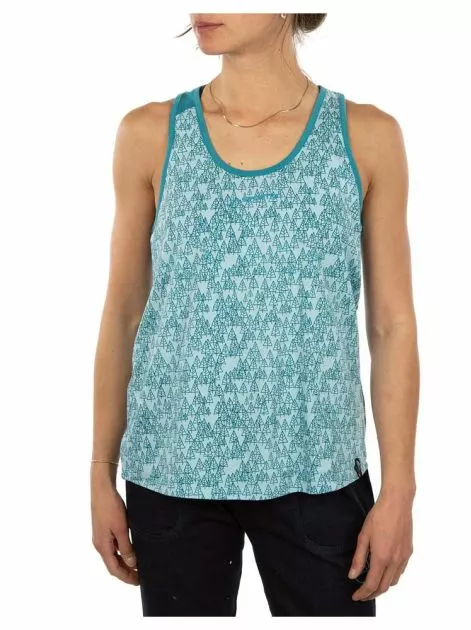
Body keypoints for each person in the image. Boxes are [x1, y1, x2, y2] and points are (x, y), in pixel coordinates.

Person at [91, 12, 418, 617]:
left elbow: (391, 325)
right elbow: (124, 314)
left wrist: (400, 488)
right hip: (172, 470)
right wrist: (100, 471)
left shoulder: (366, 137)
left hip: (318, 470)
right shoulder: (150, 134)